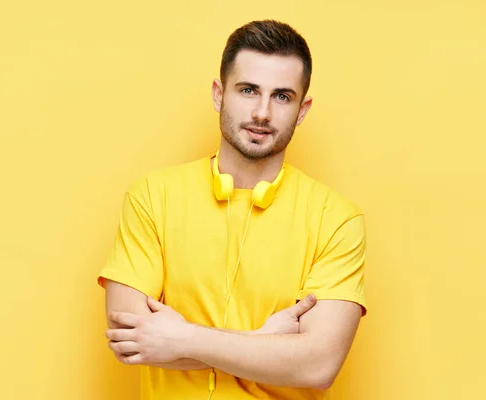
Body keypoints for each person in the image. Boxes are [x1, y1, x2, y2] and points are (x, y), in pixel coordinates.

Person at [97, 19, 367, 400]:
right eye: (248, 90)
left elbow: (319, 365)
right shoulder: (152, 196)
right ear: (219, 94)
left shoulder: (337, 220)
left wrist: (183, 338)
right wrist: (263, 345)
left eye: (282, 96)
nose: (262, 112)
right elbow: (131, 339)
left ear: (302, 110)